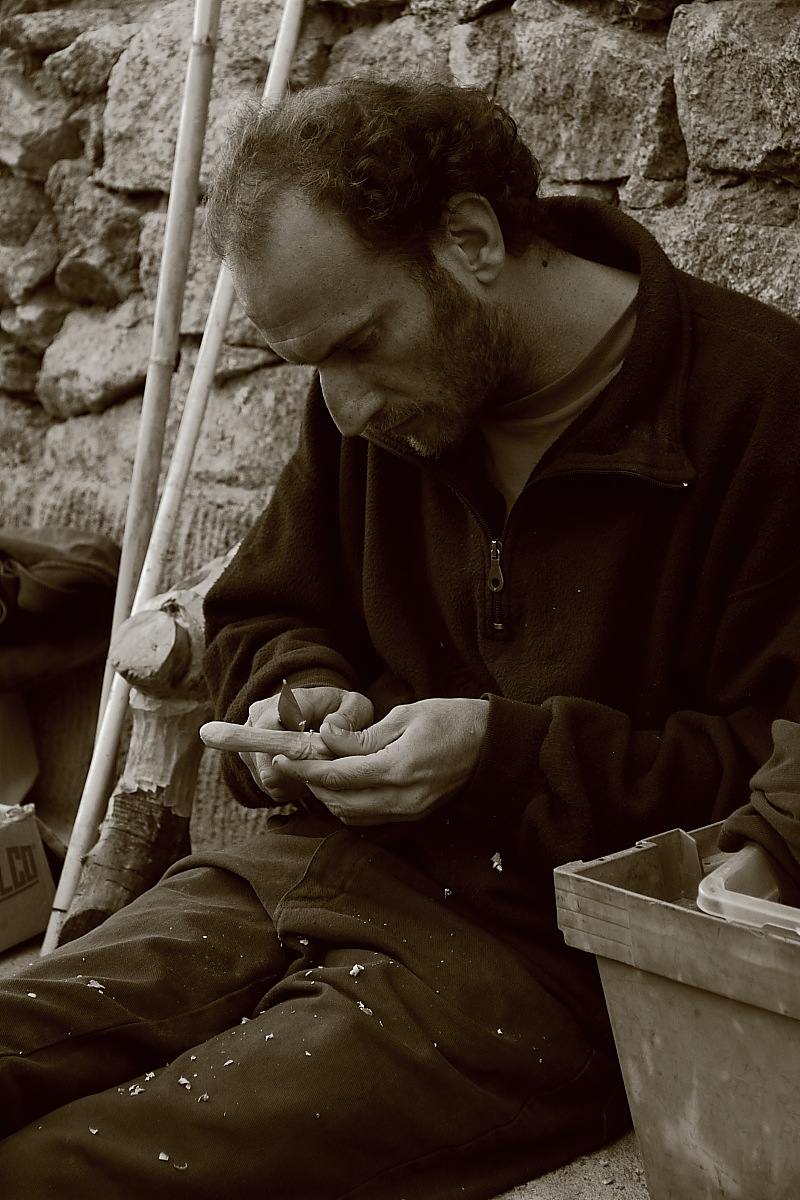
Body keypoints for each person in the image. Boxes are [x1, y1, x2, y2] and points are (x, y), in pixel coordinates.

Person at [2, 78, 800, 1198]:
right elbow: (268, 610)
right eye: (309, 367)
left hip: (550, 963)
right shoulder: (381, 403)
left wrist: (497, 756)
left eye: (358, 343)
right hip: (311, 869)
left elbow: (770, 795)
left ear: (470, 236)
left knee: (71, 1175)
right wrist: (302, 695)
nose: (342, 408)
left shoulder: (763, 409)